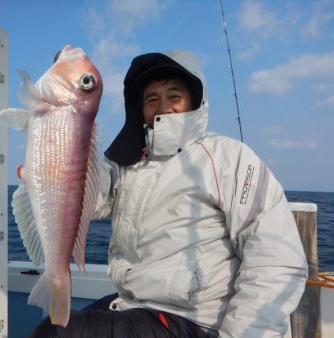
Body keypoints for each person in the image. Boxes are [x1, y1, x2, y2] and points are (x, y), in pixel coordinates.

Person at [30, 49, 308, 337]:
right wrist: (53, 163)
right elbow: (89, 199)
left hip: (195, 321)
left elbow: (276, 261)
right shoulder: (128, 160)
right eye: (152, 99)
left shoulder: (230, 157)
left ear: (195, 101)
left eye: (174, 96)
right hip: (133, 305)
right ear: (140, 108)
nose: (163, 106)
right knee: (54, 325)